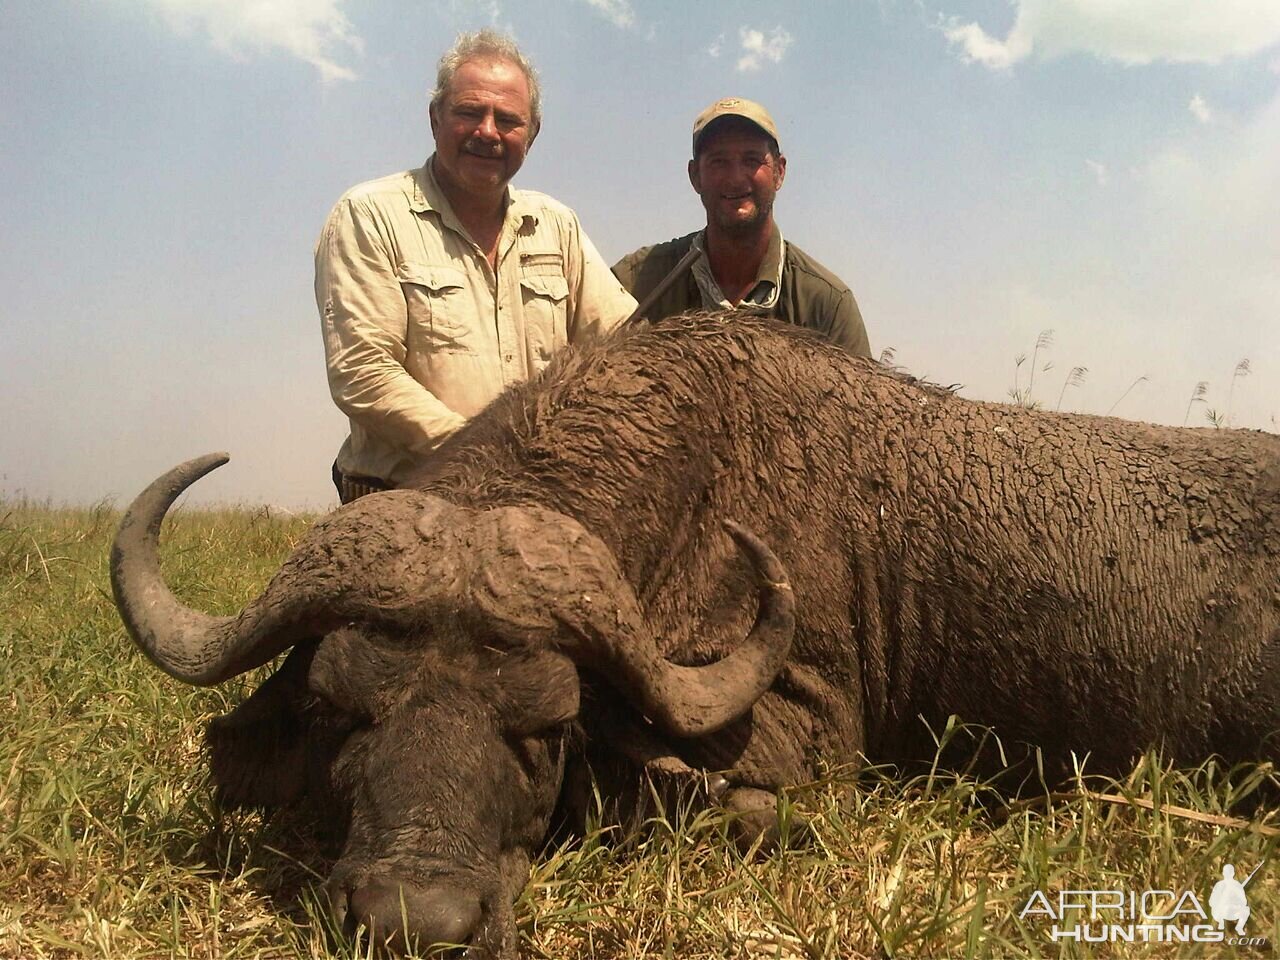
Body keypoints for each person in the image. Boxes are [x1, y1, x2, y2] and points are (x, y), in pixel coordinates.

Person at [317, 31, 637, 504]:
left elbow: (619, 353)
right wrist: (489, 452)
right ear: (435, 119)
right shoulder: (369, 214)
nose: (488, 132)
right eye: (469, 112)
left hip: (534, 501)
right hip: (400, 503)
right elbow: (363, 371)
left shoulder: (557, 224)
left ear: (531, 134)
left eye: (508, 120)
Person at [613, 97, 870, 356]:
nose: (735, 179)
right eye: (718, 162)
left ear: (779, 172)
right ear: (695, 177)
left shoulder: (827, 305)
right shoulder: (637, 283)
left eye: (751, 160)